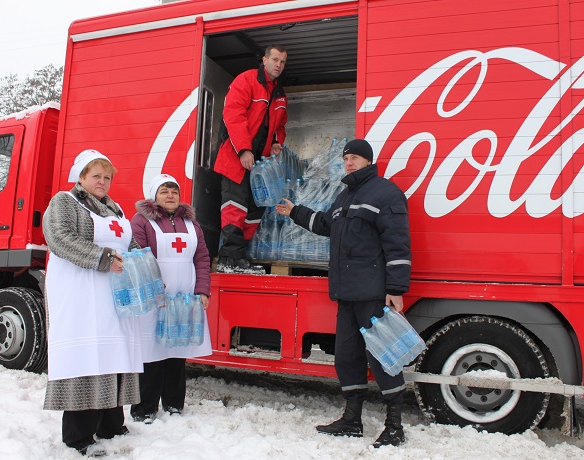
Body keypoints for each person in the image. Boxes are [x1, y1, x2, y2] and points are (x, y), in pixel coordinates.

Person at [275, 139, 412, 448]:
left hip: (373, 294)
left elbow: (397, 242)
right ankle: (352, 419)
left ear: (368, 161)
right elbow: (326, 224)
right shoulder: (344, 196)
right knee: (347, 357)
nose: (349, 163)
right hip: (346, 294)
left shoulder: (385, 193)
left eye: (355, 158)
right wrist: (295, 211)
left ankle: (395, 425)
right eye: (346, 158)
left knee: (384, 356)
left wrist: (395, 288)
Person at [42, 149, 144, 457]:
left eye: (107, 177)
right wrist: (103, 258)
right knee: (86, 358)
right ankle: (79, 435)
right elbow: (58, 237)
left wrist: (147, 272)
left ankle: (111, 424)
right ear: (81, 177)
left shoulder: (116, 210)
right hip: (80, 297)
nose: (102, 182)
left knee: (114, 354)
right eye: (96, 176)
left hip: (113, 298)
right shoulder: (65, 201)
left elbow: (131, 246)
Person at [129, 174, 212, 423]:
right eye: (164, 191)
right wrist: (154, 285)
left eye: (174, 191)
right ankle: (144, 408)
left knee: (177, 350)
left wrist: (202, 290)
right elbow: (137, 255)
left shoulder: (192, 224)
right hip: (155, 297)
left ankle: (174, 403)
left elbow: (202, 258)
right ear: (154, 196)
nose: (170, 195)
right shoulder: (141, 221)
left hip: (184, 298)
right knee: (151, 352)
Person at [213, 44, 289, 273]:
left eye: (283, 62)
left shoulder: (279, 93)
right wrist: (244, 150)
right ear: (264, 59)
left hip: (259, 166)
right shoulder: (246, 81)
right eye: (275, 59)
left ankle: (239, 258)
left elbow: (280, 125)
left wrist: (277, 142)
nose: (278, 65)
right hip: (236, 158)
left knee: (255, 211)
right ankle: (228, 259)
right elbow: (233, 115)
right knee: (234, 207)